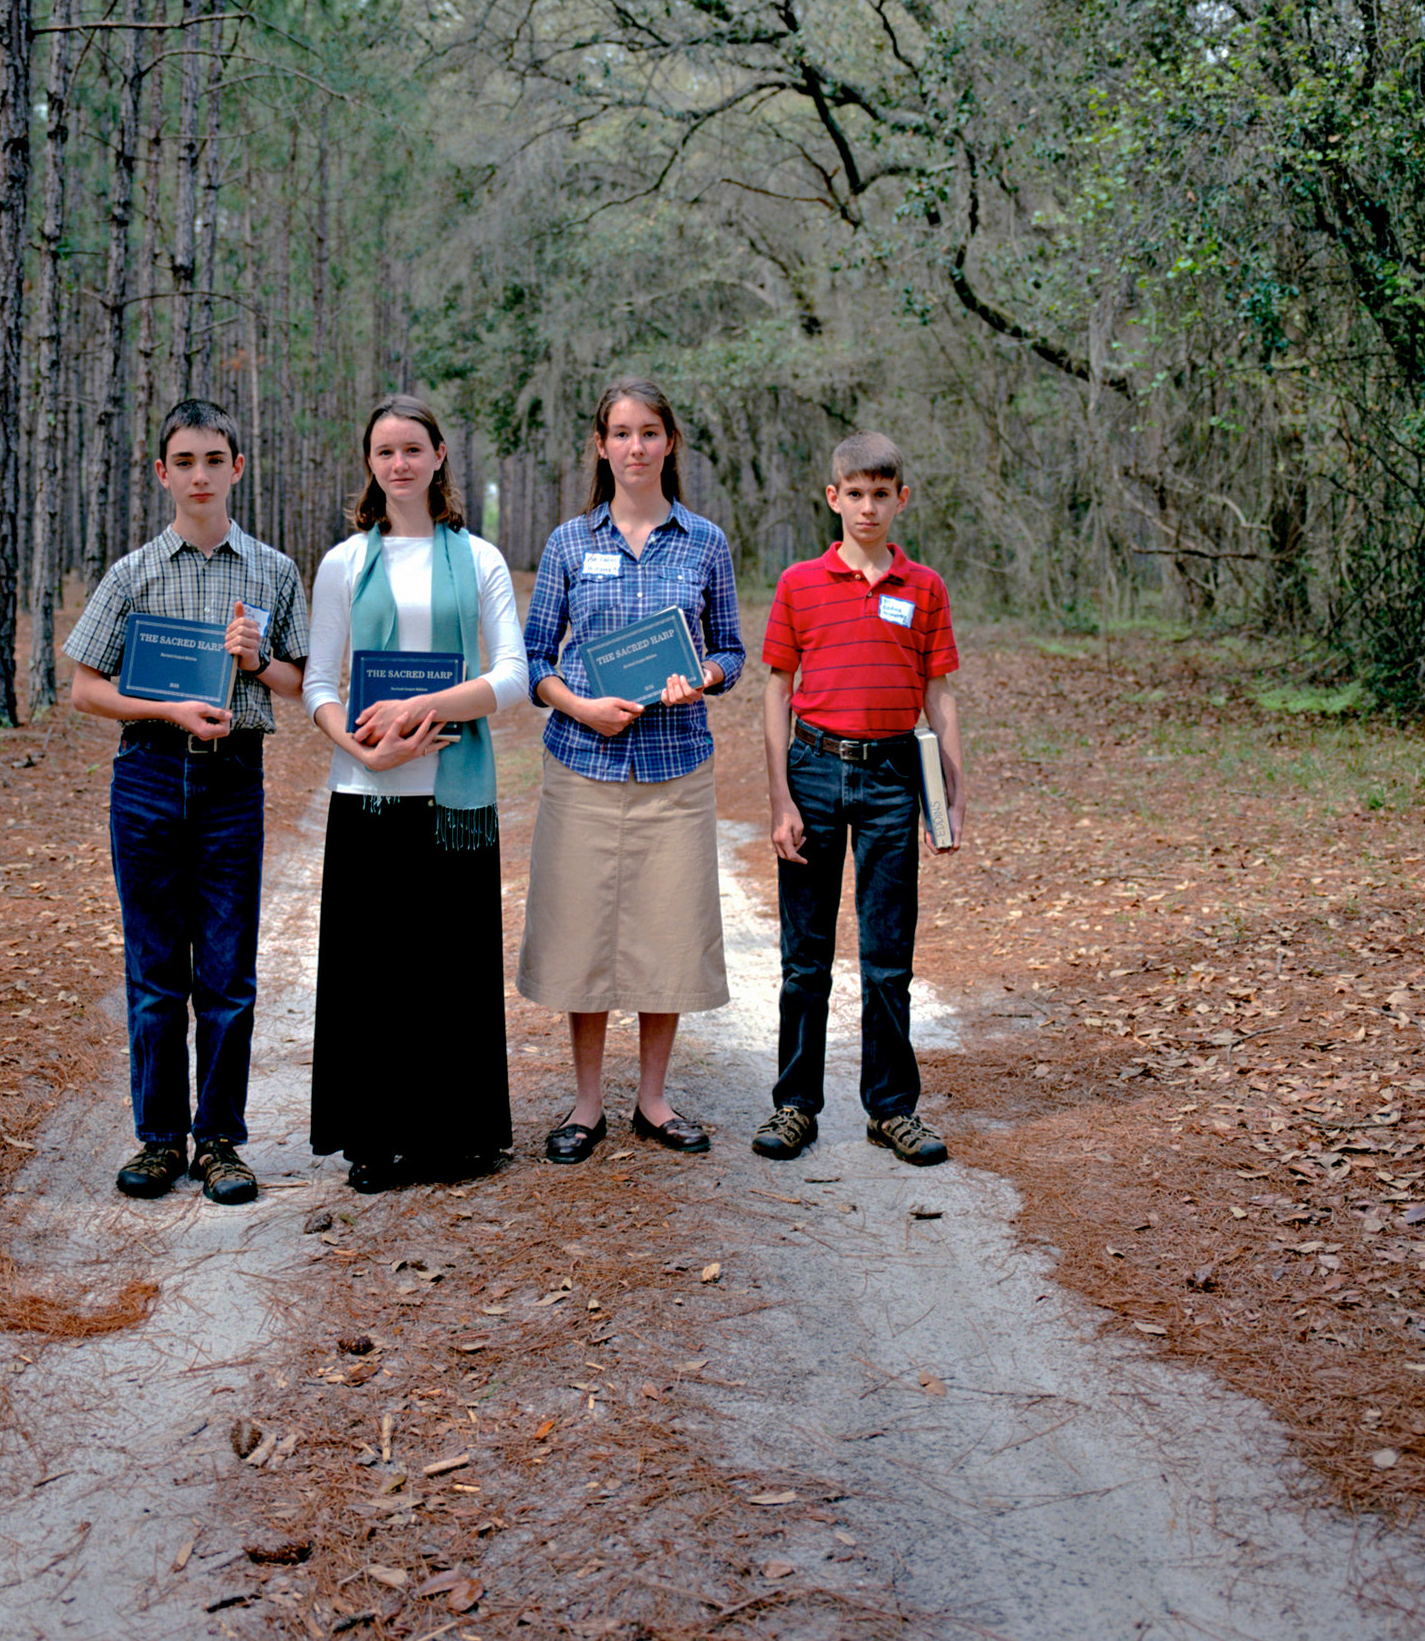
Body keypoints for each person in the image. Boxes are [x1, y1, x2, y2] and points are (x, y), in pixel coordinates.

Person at [64, 399, 309, 1206]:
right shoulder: (134, 574)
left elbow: (304, 683)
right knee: (157, 968)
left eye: (215, 459)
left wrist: (257, 656)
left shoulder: (272, 570)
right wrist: (166, 710)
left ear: (238, 468)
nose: (200, 475)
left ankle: (222, 1142)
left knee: (230, 972)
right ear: (162, 472)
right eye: (185, 461)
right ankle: (160, 1138)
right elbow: (84, 688)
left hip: (234, 777)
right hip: (148, 775)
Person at [302, 396, 527, 1193]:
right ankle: (373, 1135)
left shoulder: (482, 559)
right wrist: (364, 740)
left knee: (450, 966)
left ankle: (452, 1134)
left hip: (455, 797)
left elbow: (513, 676)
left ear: (438, 458)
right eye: (383, 451)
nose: (398, 463)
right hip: (368, 790)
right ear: (370, 463)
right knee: (372, 969)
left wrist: (418, 709)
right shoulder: (341, 563)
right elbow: (321, 684)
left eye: (412, 449)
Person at [518, 378, 746, 1163]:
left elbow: (732, 650)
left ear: (669, 443)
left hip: (675, 765)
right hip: (584, 762)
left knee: (664, 935)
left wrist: (704, 678)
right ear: (601, 445)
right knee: (583, 936)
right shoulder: (569, 544)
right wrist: (579, 707)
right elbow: (534, 658)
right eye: (621, 433)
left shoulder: (704, 542)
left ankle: (653, 1099)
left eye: (649, 432)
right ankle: (586, 1107)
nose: (636, 446)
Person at [753, 431, 964, 1167]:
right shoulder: (799, 584)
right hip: (813, 768)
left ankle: (891, 1109)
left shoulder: (925, 588)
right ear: (832, 496)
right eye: (856, 493)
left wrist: (949, 799)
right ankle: (794, 1105)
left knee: (886, 954)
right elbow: (777, 689)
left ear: (900, 499)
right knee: (805, 956)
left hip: (891, 778)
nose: (868, 507)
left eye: (883, 494)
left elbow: (939, 695)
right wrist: (781, 796)